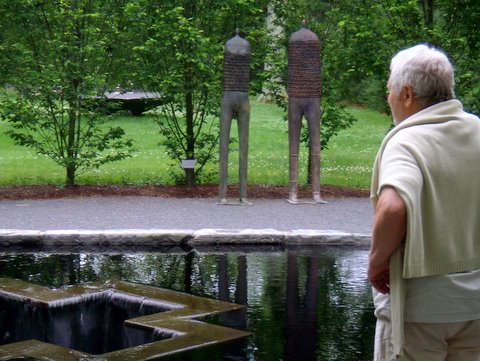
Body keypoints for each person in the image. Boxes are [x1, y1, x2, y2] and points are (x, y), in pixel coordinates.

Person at [368, 44, 480, 361]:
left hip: (419, 313)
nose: (387, 98)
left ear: (407, 94)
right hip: (474, 308)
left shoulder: (406, 142)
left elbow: (393, 206)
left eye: (389, 89)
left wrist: (377, 261)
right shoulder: (477, 131)